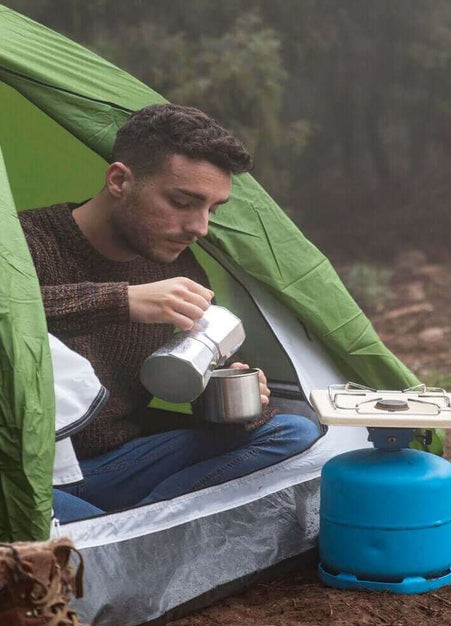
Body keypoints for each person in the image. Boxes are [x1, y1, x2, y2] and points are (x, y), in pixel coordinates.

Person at [19, 104, 319, 522]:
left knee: (295, 430)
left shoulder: (179, 266)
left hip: (125, 458)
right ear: (120, 180)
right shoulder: (23, 241)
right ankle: (127, 530)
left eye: (212, 210)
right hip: (27, 470)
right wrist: (122, 301)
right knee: (0, 502)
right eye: (182, 202)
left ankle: (126, 529)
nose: (200, 228)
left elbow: (197, 383)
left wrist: (227, 394)